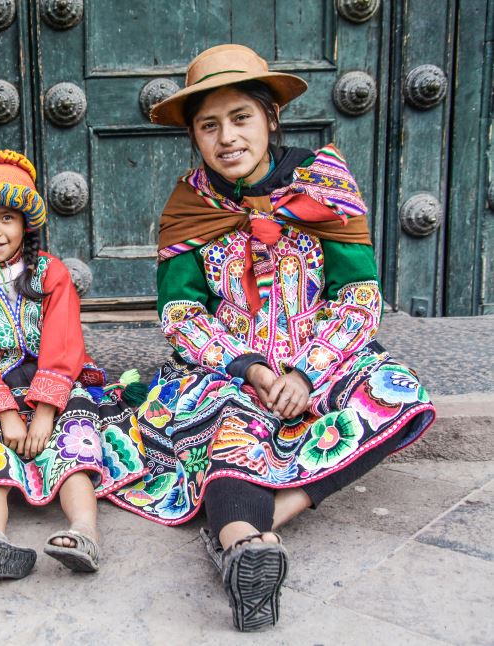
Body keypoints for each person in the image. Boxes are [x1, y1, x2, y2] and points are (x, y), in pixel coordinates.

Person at [109, 45, 436, 631]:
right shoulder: (190, 205)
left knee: (395, 390)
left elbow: (358, 295)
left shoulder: (322, 184)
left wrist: (306, 372)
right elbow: (181, 312)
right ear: (194, 135)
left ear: (271, 117)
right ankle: (242, 542)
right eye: (209, 126)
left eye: (241, 118)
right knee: (232, 425)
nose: (227, 137)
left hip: (321, 362)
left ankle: (256, 530)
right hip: (229, 369)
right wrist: (251, 368)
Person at [0, 151, 147, 578]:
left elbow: (63, 340)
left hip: (56, 386)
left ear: (25, 224)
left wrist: (46, 411)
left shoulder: (51, 273)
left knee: (73, 448)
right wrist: (6, 414)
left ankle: (83, 533)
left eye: (7, 218)